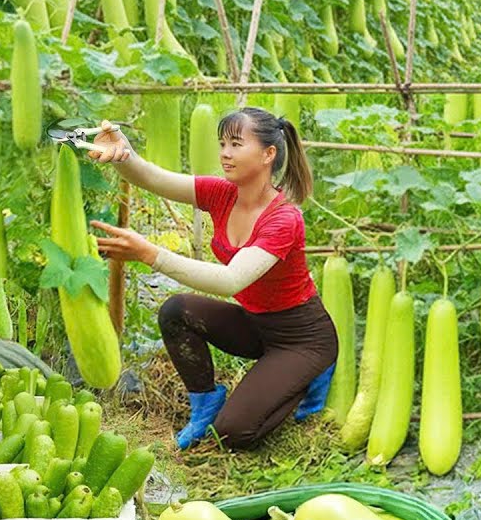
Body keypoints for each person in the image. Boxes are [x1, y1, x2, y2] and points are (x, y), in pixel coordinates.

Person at [85, 106, 338, 450]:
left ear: (268, 154)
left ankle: (307, 377)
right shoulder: (220, 194)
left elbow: (231, 281)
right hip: (255, 326)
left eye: (235, 144)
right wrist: (122, 152)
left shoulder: (284, 219)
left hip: (302, 339)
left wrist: (150, 254)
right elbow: (152, 178)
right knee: (176, 311)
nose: (224, 153)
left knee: (233, 433)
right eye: (222, 144)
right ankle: (205, 402)